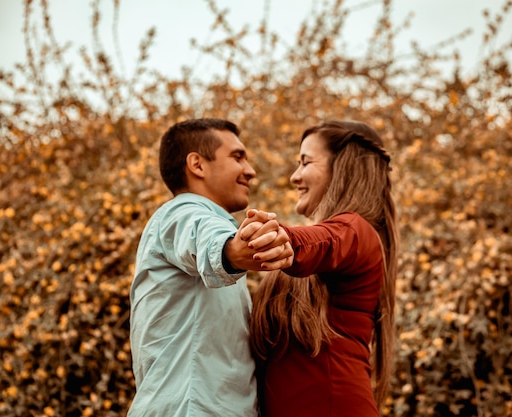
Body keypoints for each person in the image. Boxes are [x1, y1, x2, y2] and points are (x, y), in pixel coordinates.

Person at [127, 118, 294, 417]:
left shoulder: (196, 220)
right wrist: (233, 250)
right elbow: (205, 239)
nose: (250, 170)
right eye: (237, 157)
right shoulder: (183, 212)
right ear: (198, 165)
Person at [247, 120, 399, 417]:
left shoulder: (357, 233)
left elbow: (323, 241)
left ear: (342, 168)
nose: (294, 176)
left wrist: (284, 238)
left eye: (305, 162)